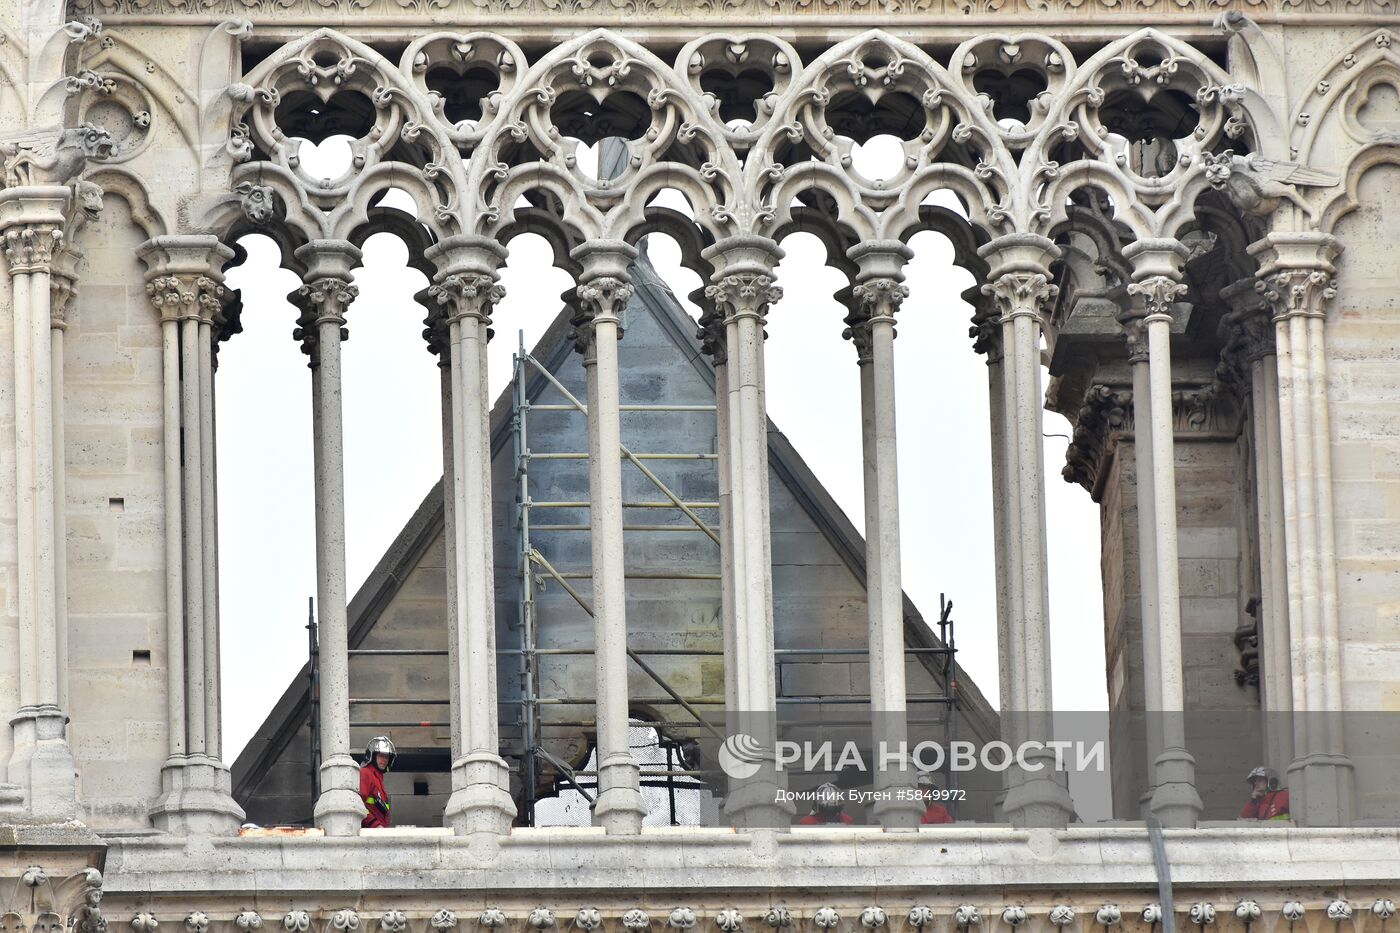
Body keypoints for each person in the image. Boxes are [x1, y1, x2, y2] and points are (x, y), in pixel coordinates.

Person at [360, 735, 396, 828]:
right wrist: (374, 824)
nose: (384, 760)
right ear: (372, 756)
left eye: (386, 757)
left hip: (378, 831)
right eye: (381, 756)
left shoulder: (379, 779)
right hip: (370, 831)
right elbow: (358, 804)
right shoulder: (366, 773)